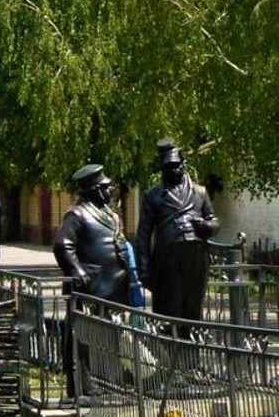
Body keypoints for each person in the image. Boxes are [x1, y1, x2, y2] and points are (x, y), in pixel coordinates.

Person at [53, 163, 130, 398]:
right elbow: (62, 246)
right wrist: (76, 270)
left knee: (108, 335)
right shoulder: (77, 213)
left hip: (113, 285)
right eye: (106, 187)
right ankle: (80, 386)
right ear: (94, 189)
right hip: (90, 286)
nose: (111, 191)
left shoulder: (108, 212)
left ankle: (109, 381)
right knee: (81, 337)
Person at [136, 140, 219, 327]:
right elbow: (143, 235)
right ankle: (170, 352)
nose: (173, 170)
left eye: (176, 165)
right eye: (168, 167)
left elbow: (214, 220)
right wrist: (144, 269)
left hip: (196, 258)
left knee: (192, 309)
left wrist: (206, 227)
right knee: (169, 311)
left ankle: (191, 352)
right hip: (167, 261)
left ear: (184, 164)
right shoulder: (153, 196)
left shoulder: (200, 192)